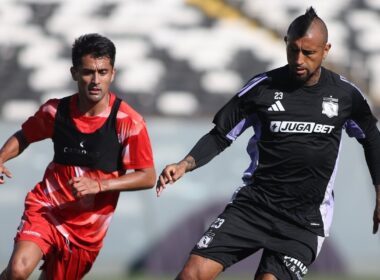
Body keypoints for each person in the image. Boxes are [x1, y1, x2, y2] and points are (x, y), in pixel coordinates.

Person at [156, 7, 380, 280]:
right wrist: (184, 164)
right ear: (286, 43)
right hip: (254, 207)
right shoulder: (262, 88)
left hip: (305, 221)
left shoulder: (346, 95)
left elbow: (372, 139)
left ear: (326, 49)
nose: (299, 59)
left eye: (308, 53)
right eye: (293, 50)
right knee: (191, 274)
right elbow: (221, 135)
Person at [0, 33, 156, 280]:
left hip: (86, 233)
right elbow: (25, 135)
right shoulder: (55, 111)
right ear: (74, 73)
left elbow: (147, 177)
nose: (95, 80)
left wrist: (100, 184)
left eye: (103, 72)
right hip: (47, 208)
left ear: (112, 73)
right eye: (87, 72)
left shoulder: (129, 122)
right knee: (18, 271)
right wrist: (1, 157)